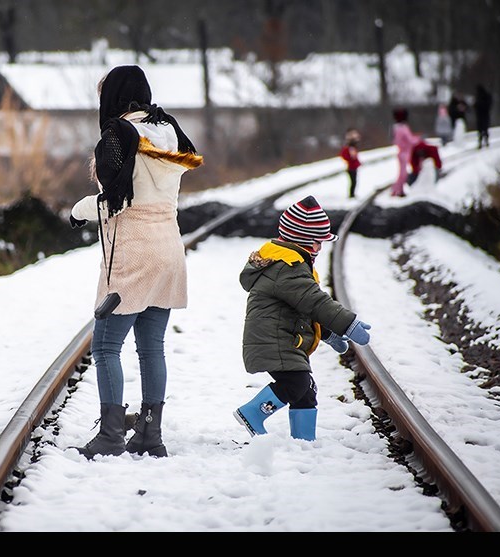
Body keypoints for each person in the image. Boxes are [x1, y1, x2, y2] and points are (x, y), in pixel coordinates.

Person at [69, 65, 203, 459]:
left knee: (106, 346)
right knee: (151, 347)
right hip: (169, 247)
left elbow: (115, 200)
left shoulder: (118, 135)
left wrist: (78, 211)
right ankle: (149, 434)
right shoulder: (169, 130)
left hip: (133, 250)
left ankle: (111, 435)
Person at [232, 196, 372, 441]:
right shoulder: (288, 267)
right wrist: (348, 324)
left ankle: (304, 441)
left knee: (305, 389)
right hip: (275, 340)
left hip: (283, 337)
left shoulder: (286, 264)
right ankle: (252, 413)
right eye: (318, 243)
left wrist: (329, 334)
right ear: (305, 242)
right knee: (296, 384)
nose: (320, 248)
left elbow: (303, 309)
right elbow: (315, 302)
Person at [339, 128, 361, 198]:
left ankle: (352, 194)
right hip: (351, 167)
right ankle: (352, 194)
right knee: (353, 181)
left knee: (353, 181)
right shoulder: (350, 148)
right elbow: (352, 157)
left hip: (352, 167)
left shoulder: (350, 148)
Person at [474, 84, 492, 149]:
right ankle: (483, 142)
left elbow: (487, 105)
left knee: (482, 130)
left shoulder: (484, 96)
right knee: (483, 129)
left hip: (483, 115)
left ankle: (483, 142)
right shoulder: (481, 96)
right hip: (482, 115)